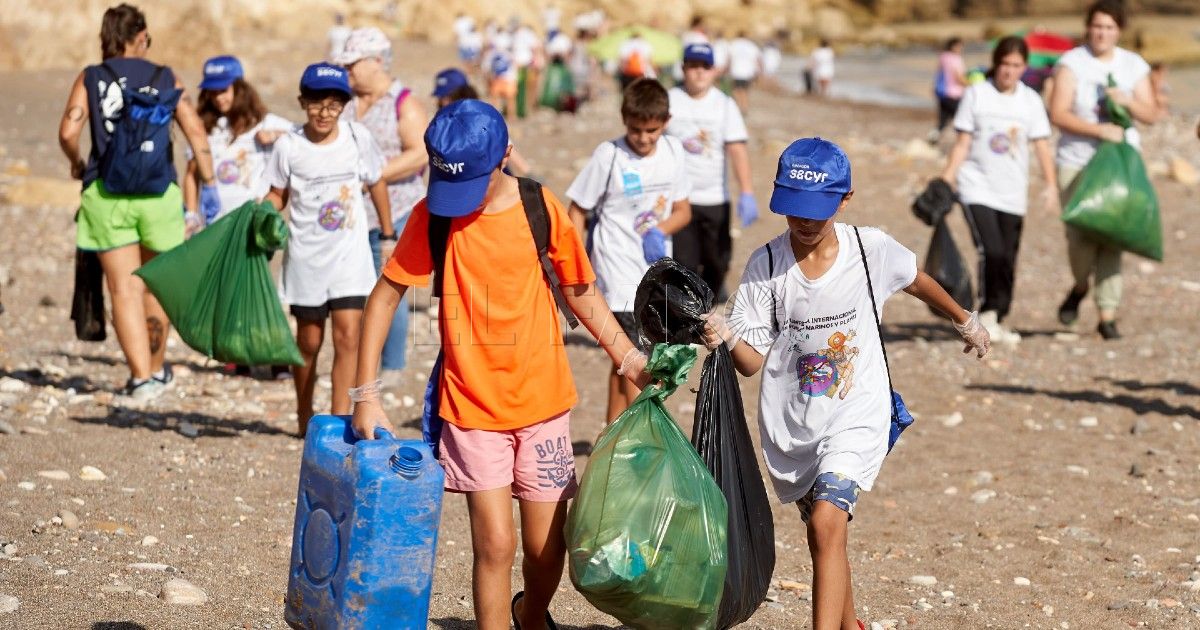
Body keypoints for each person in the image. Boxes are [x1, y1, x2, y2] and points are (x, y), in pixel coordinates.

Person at [349, 99, 649, 630]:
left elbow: (580, 291)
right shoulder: (434, 216)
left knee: (545, 546)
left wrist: (626, 356)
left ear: (506, 155)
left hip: (543, 400)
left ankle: (531, 614)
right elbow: (385, 296)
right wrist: (366, 394)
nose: (460, 200)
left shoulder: (540, 207)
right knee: (495, 542)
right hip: (470, 405)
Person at [703, 137, 991, 630]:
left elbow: (917, 280)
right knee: (824, 537)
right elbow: (750, 364)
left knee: (827, 522)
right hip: (794, 425)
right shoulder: (766, 267)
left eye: (817, 210)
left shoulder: (869, 248)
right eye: (794, 209)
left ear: (844, 199)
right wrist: (725, 336)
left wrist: (965, 319)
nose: (805, 221)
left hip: (858, 409)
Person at [58, 3, 217, 400]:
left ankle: (141, 377)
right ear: (141, 35)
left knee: (123, 289)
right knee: (157, 286)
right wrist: (210, 185)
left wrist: (77, 164)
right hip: (159, 195)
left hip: (108, 195)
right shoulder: (165, 76)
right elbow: (197, 133)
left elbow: (67, 131)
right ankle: (159, 369)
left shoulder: (92, 76)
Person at [263, 62, 393, 436]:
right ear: (303, 102)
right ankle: (305, 413)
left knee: (349, 336)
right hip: (306, 259)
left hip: (348, 257)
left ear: (344, 107)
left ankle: (336, 423)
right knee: (308, 342)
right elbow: (277, 194)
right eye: (317, 103)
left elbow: (377, 182)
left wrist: (387, 234)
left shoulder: (357, 138)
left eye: (334, 104)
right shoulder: (289, 145)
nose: (325, 112)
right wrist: (255, 217)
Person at [567, 78, 692, 422]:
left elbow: (683, 210)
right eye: (636, 129)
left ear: (665, 122)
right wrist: (577, 265)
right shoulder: (610, 156)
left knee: (622, 361)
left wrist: (660, 230)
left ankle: (610, 437)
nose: (644, 137)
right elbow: (577, 210)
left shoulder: (673, 152)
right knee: (638, 363)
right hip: (616, 276)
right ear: (625, 121)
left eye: (652, 130)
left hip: (654, 275)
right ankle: (637, 442)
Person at [1048, 0, 1158, 340]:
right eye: (1097, 26)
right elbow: (1058, 113)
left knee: (1114, 236)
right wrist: (1099, 130)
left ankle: (1107, 315)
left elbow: (1151, 113)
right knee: (1080, 236)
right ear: (1088, 28)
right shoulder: (1071, 63)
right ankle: (1080, 285)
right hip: (1078, 161)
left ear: (1119, 30)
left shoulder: (1133, 64)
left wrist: (1128, 102)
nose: (1102, 33)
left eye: (1109, 27)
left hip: (1123, 164)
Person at [939, 36, 1058, 346]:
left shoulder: (1030, 100)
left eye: (1016, 65)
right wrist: (947, 177)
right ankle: (987, 311)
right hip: (976, 186)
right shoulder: (977, 94)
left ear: (1024, 67)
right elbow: (962, 142)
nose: (1009, 71)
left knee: (1008, 256)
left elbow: (1042, 144)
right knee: (990, 250)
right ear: (996, 63)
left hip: (1013, 192)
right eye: (1004, 64)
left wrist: (1051, 185)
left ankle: (1000, 315)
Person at [186, 54, 295, 379]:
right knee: (228, 289)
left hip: (253, 222)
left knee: (258, 288)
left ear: (239, 87)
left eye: (226, 89)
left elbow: (307, 140)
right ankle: (239, 358)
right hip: (217, 221)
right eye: (214, 90)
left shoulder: (267, 124)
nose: (220, 96)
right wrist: (190, 214)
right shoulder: (203, 128)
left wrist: (277, 138)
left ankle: (277, 358)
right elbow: (191, 173)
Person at [336, 27, 429, 379]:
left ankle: (392, 365)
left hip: (398, 209)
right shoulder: (346, 101)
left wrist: (374, 175)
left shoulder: (403, 103)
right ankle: (364, 362)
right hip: (354, 213)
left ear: (377, 62)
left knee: (390, 285)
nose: (348, 72)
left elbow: (420, 153)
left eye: (353, 64)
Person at [667, 43, 757, 301]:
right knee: (683, 262)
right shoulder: (670, 100)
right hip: (679, 199)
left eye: (705, 66)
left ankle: (708, 296)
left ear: (713, 70)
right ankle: (690, 315)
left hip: (716, 198)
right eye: (693, 66)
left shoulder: (724, 104)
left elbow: (737, 149)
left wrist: (747, 192)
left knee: (718, 261)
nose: (699, 72)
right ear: (684, 68)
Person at [930, 37, 968, 144]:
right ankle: (963, 142)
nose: (961, 48)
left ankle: (933, 138)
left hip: (942, 93)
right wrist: (972, 85)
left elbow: (938, 74)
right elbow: (959, 78)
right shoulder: (956, 59)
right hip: (954, 94)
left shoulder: (943, 57)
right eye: (960, 46)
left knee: (943, 120)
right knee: (962, 118)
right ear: (953, 46)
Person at [727, 32, 762, 113]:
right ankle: (744, 108)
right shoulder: (751, 45)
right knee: (745, 91)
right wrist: (759, 73)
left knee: (736, 90)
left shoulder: (733, 44)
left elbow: (729, 59)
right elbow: (758, 60)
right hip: (748, 73)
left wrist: (727, 70)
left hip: (736, 71)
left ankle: (738, 107)